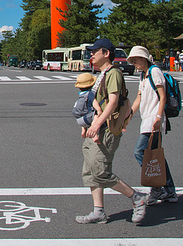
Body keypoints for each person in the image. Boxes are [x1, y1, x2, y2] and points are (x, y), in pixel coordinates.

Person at [76, 38, 147, 225]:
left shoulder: (113, 73)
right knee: (90, 171)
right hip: (95, 128)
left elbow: (114, 101)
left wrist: (97, 124)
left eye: (95, 51)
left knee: (100, 171)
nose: (91, 54)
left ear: (106, 53)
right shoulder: (101, 73)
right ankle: (98, 211)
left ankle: (136, 197)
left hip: (105, 129)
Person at [129, 45, 178, 205]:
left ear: (143, 58)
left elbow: (162, 97)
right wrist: (129, 115)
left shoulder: (154, 72)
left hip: (154, 120)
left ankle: (157, 186)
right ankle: (169, 190)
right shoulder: (143, 75)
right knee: (156, 157)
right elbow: (139, 98)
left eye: (135, 59)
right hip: (148, 119)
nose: (133, 63)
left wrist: (158, 117)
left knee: (140, 152)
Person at [73, 72, 100, 142]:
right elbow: (94, 102)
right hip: (85, 120)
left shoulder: (81, 94)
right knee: (95, 116)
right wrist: (99, 110)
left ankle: (83, 131)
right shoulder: (90, 94)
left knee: (86, 113)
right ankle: (94, 135)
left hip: (78, 119)